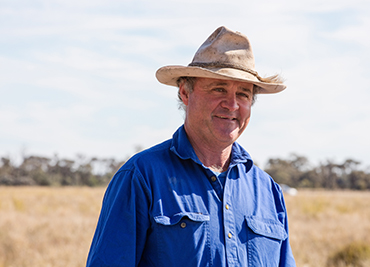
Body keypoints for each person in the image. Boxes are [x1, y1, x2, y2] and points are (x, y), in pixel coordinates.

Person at [86, 26, 296, 267]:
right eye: (219, 89)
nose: (232, 104)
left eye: (243, 94)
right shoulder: (141, 177)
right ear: (185, 93)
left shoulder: (268, 191)